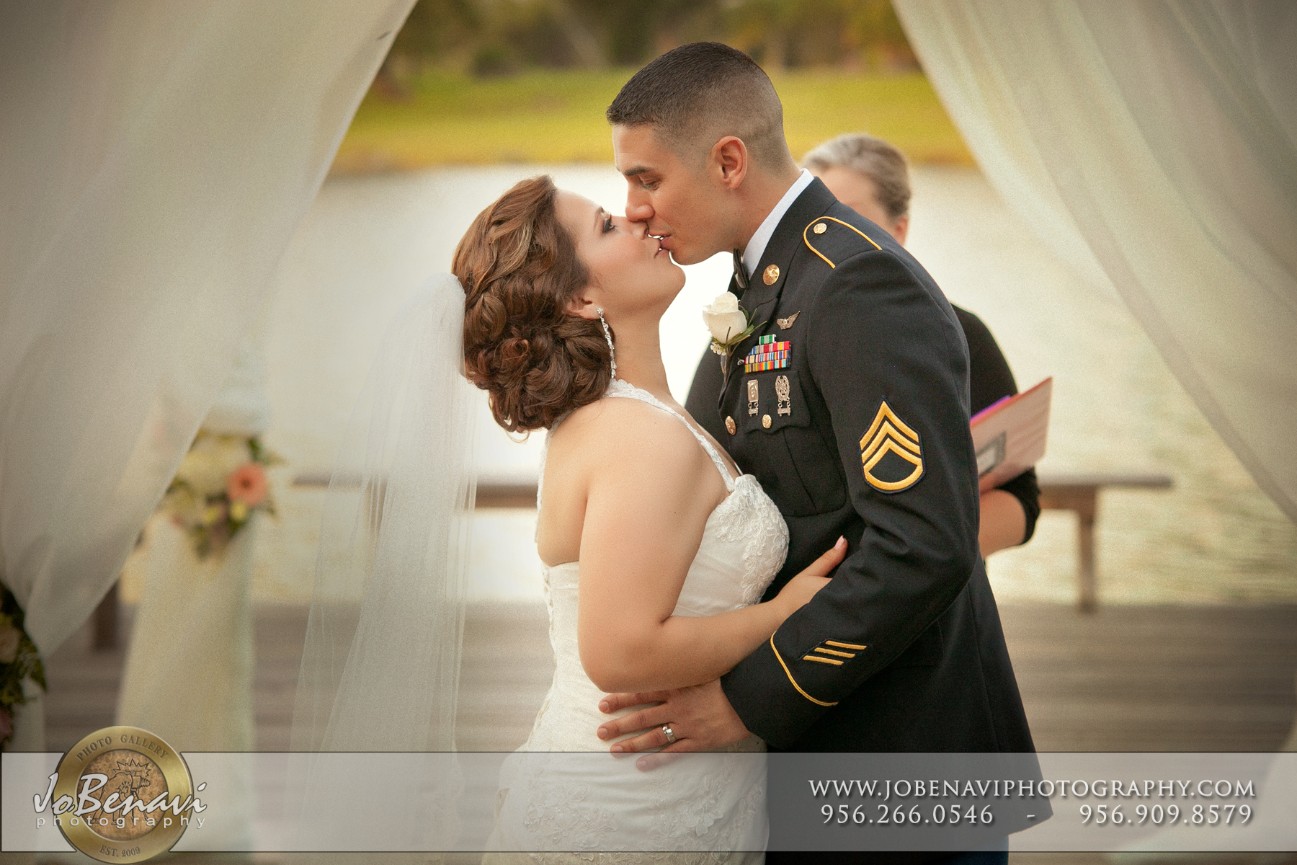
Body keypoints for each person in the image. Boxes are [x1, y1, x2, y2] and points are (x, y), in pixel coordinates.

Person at [595, 43, 1043, 862]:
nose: (633, 208)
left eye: (646, 178)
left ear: (727, 159)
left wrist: (748, 700)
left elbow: (922, 544)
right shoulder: (764, 280)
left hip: (903, 761)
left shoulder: (855, 282)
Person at [451, 175, 846, 860]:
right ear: (580, 297)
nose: (638, 219)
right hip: (630, 809)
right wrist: (786, 615)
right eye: (607, 225)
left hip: (654, 785)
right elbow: (619, 651)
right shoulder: (636, 436)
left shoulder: (624, 418)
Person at [802, 132, 1041, 557]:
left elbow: (1022, 501)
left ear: (899, 229)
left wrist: (911, 565)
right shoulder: (760, 336)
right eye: (814, 219)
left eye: (847, 216)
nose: (826, 235)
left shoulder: (962, 335)